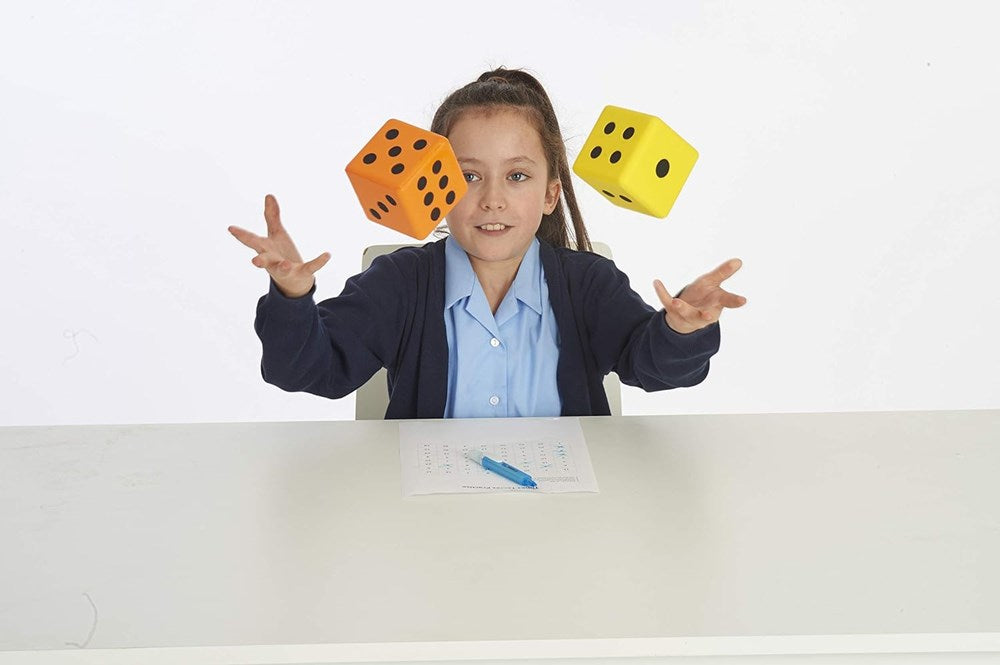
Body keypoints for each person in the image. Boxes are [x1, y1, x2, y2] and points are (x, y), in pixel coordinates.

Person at [228, 67, 746, 419]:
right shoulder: (399, 282)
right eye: (469, 176)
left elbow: (649, 367)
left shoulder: (588, 282)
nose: (492, 199)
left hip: (567, 518)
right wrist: (293, 298)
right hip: (431, 518)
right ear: (436, 185)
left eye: (517, 177)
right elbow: (306, 369)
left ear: (550, 194)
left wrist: (679, 330)